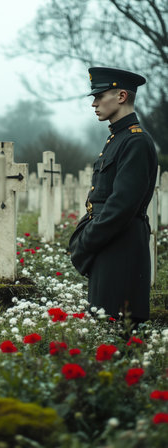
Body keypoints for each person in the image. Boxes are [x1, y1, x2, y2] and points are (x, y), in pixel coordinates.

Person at [69, 67, 158, 324]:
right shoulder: (117, 138)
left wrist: (86, 241)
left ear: (121, 96)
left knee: (118, 328)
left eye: (99, 96)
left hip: (122, 245)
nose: (94, 103)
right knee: (103, 324)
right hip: (109, 242)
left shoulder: (135, 141)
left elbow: (121, 205)